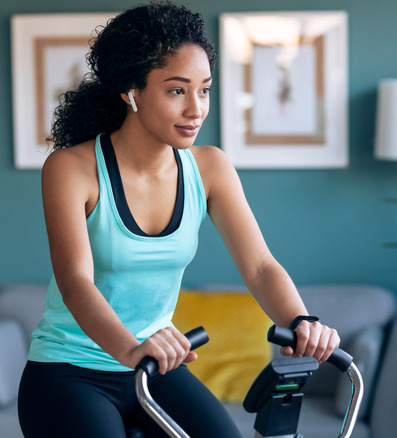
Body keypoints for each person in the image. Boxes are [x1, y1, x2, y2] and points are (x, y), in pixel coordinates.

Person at [17, 2, 340, 437]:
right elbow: (77, 282)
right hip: (71, 371)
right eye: (177, 91)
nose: (196, 109)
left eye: (204, 90)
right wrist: (131, 349)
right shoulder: (71, 169)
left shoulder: (210, 168)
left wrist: (302, 321)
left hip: (156, 367)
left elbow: (260, 266)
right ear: (131, 91)